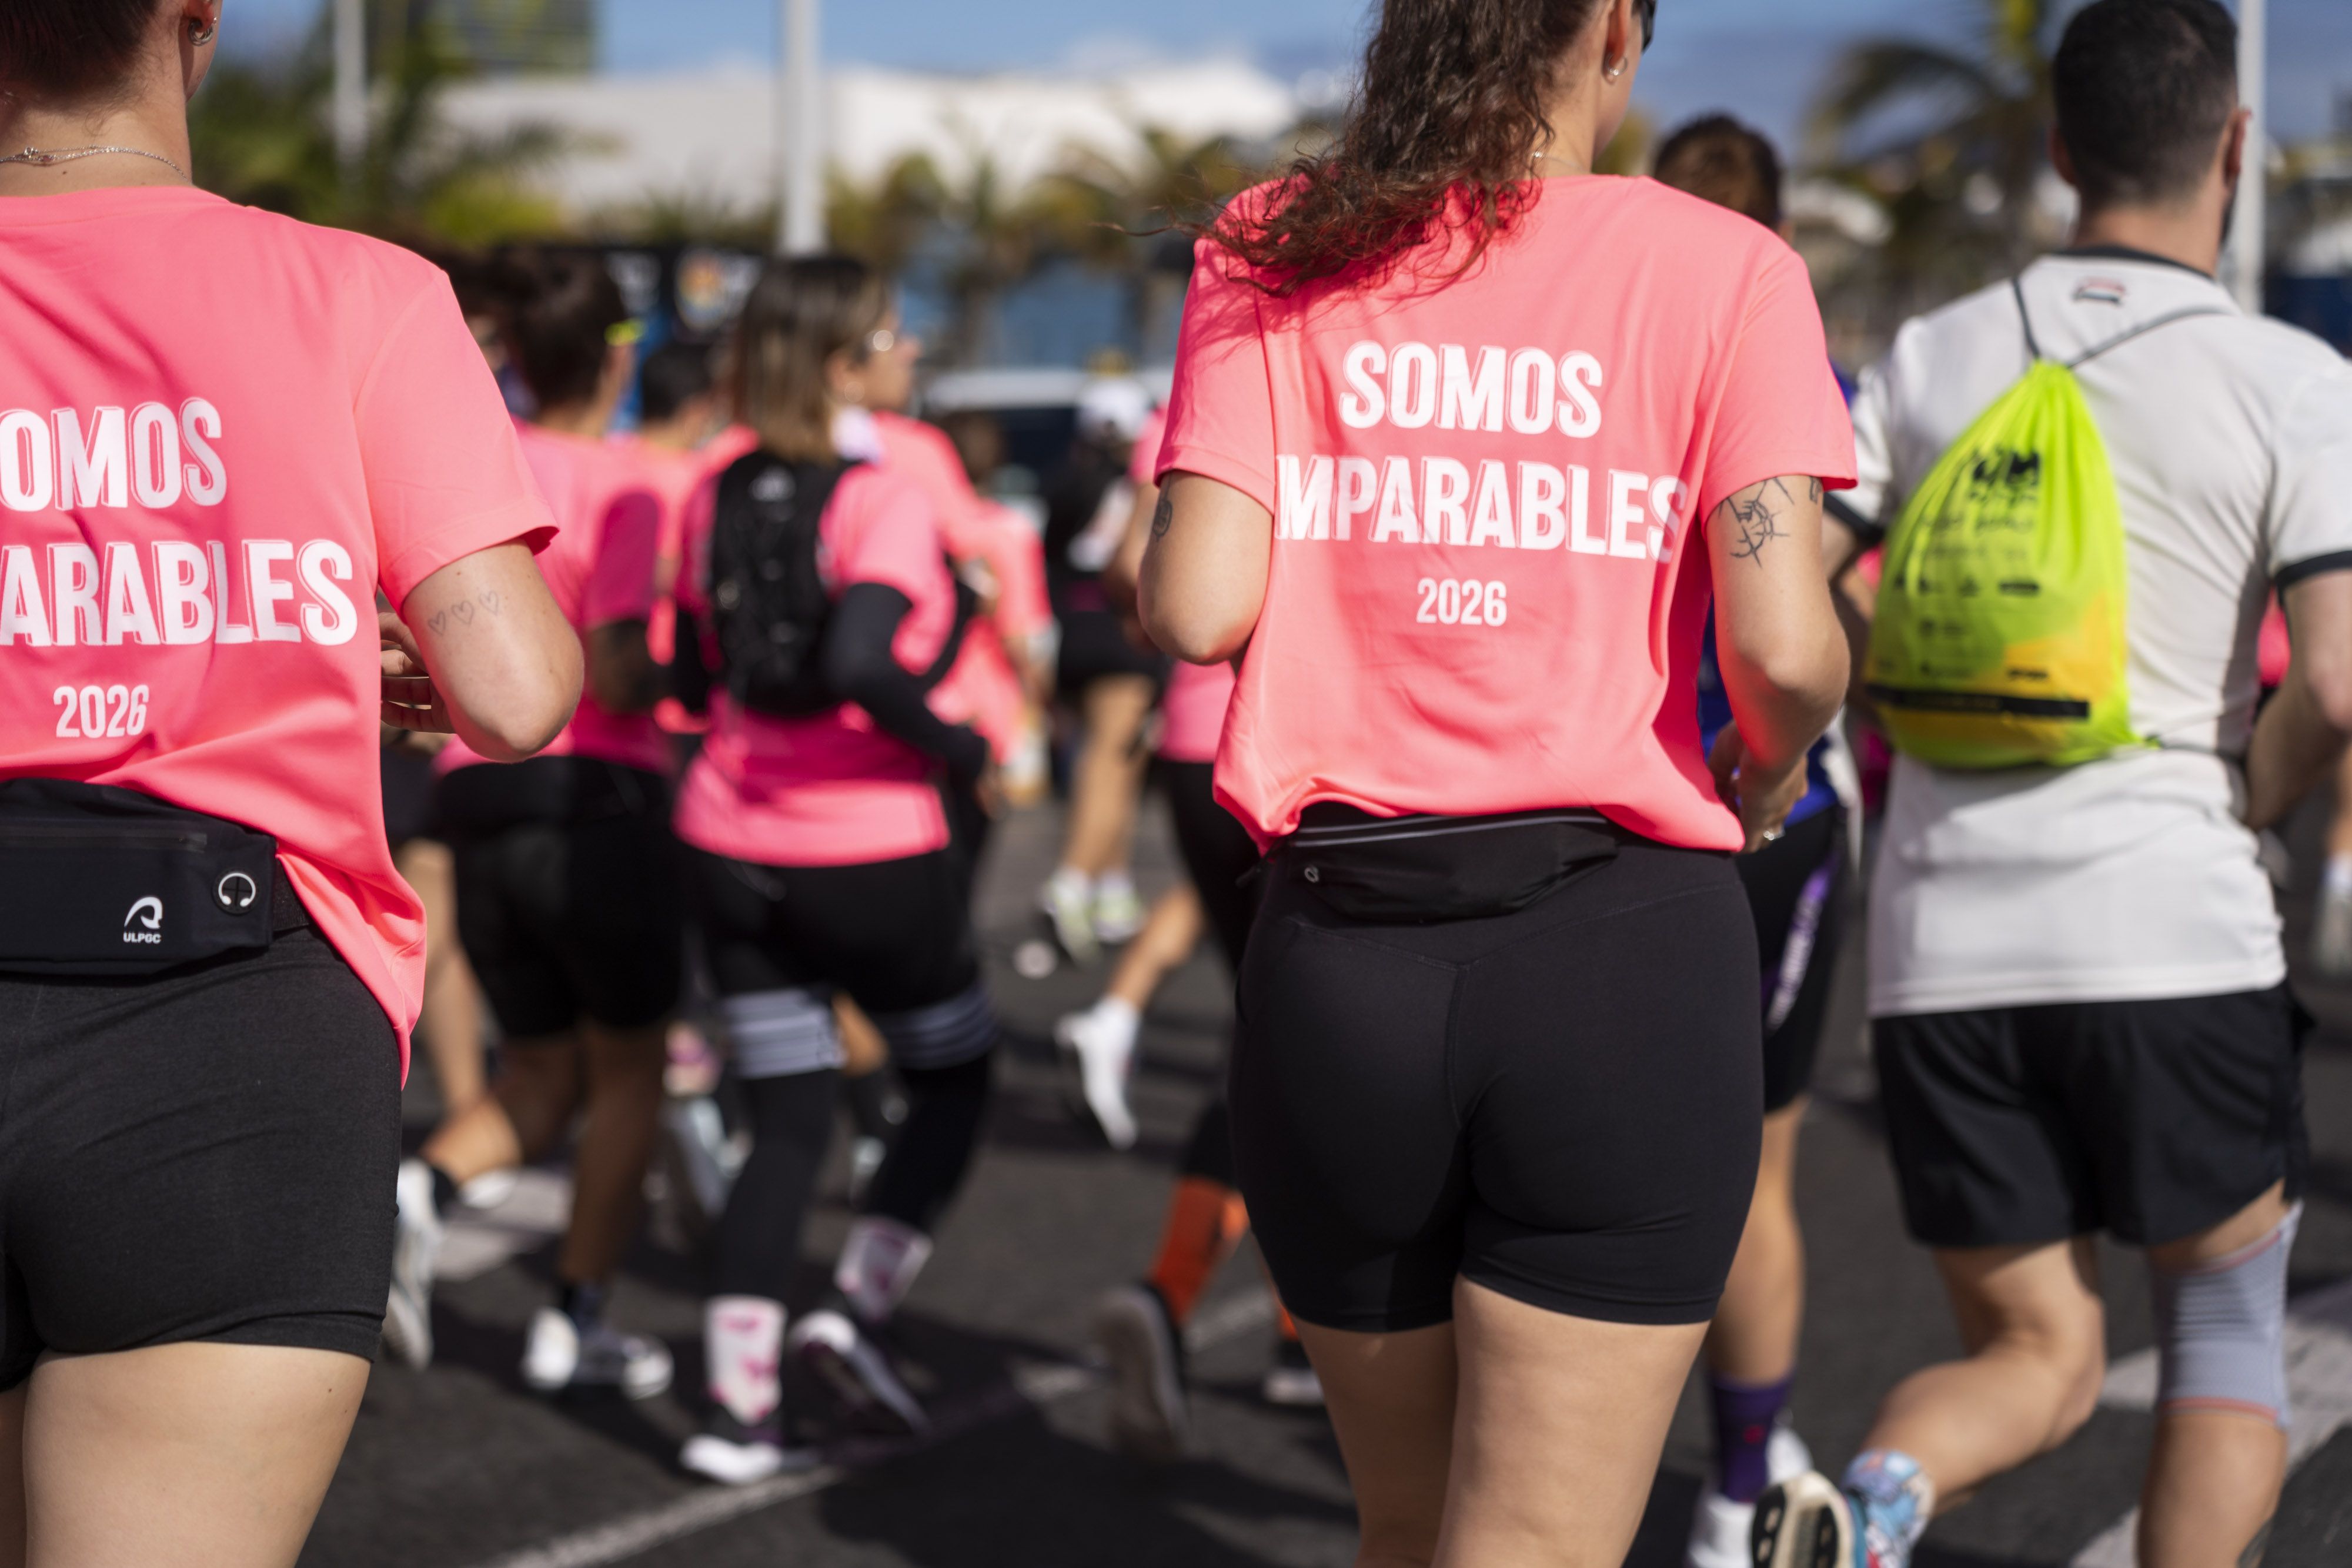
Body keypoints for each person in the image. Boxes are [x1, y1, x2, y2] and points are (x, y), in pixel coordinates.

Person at [1140, 0, 1856, 1560]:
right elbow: (1788, 646)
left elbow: (1194, 605)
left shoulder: (1275, 238)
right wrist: (1770, 761)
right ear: (1614, 30)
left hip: (1342, 953)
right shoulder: (1729, 265)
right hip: (1619, 953)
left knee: (1404, 1528)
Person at [1750, 5, 2352, 1566]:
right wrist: (2250, 797)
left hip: (1942, 950)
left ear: (2057, 147)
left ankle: (1871, 1508)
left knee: (2037, 1352)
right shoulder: (2291, 379)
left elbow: (1787, 590)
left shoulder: (1929, 355)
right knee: (2219, 1342)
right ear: (2233, 145)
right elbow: (2338, 682)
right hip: (2177, 927)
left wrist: (1880, 677)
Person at [0, 2, 579, 1560]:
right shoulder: (358, 291)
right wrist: (318, 651)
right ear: (191, 24)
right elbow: (515, 691)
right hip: (223, 1023)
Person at [668, 256, 1001, 1483]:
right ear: (841, 363)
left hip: (726, 838)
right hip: (866, 848)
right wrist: (961, 746)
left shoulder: (711, 488)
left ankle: (738, 1407)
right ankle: (852, 1307)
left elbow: (692, 670)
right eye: (891, 334)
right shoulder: (881, 494)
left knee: (788, 1116)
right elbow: (861, 660)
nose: (907, 351)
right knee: (956, 1074)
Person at [383, 252, 682, 1401]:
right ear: (615, 360)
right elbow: (617, 667)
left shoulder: (480, 460)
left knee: (542, 1070)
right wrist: (694, 670)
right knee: (631, 1071)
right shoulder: (627, 483)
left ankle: (417, 1193)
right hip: (595, 795)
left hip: (474, 793)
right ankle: (573, 1320)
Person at [1649, 113, 1863, 1568]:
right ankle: (1735, 1490)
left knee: (1572, 1164)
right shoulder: (1788, 357)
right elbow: (1803, 621)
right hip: (1757, 800)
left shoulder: (1605, 343)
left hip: (1616, 798)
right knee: (1752, 1170)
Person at [1081, 409, 1322, 1459]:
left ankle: (1273, 1323)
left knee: (1270, 1037)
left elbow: (1130, 570)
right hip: (1301, 744)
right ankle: (1254, 1312)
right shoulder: (1374, 365)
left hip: (1195, 748)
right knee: (1315, 1048)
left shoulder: (1193, 396)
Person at [1038, 379, 1165, 960]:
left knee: (1110, 761)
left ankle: (1113, 892)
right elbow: (1133, 565)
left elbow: (1049, 560)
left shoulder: (1063, 480)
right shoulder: (1147, 482)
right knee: (1113, 762)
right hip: (1122, 631)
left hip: (1073, 630)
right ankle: (1070, 883)